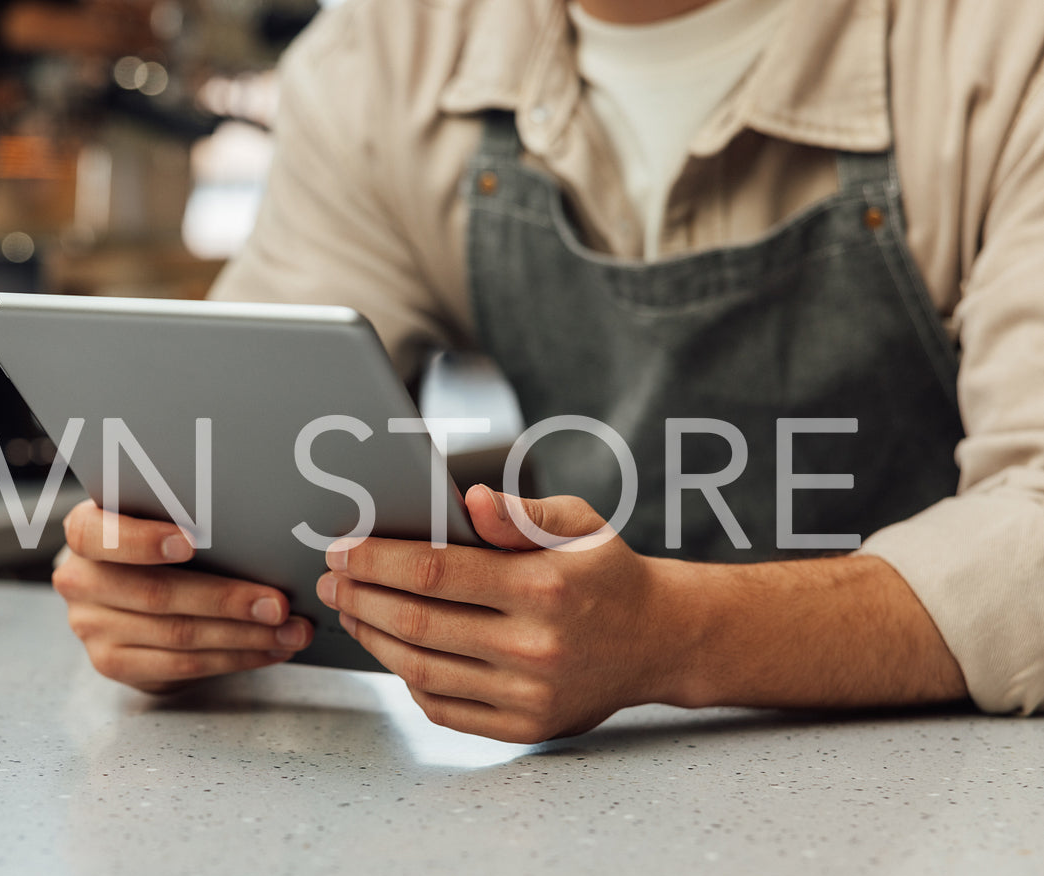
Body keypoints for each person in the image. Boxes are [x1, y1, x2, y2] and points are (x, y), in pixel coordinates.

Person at [53, 0, 1044, 742]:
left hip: (955, 784)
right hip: (588, 790)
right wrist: (172, 578)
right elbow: (235, 428)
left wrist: (676, 637)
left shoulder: (1001, 45)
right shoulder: (379, 63)